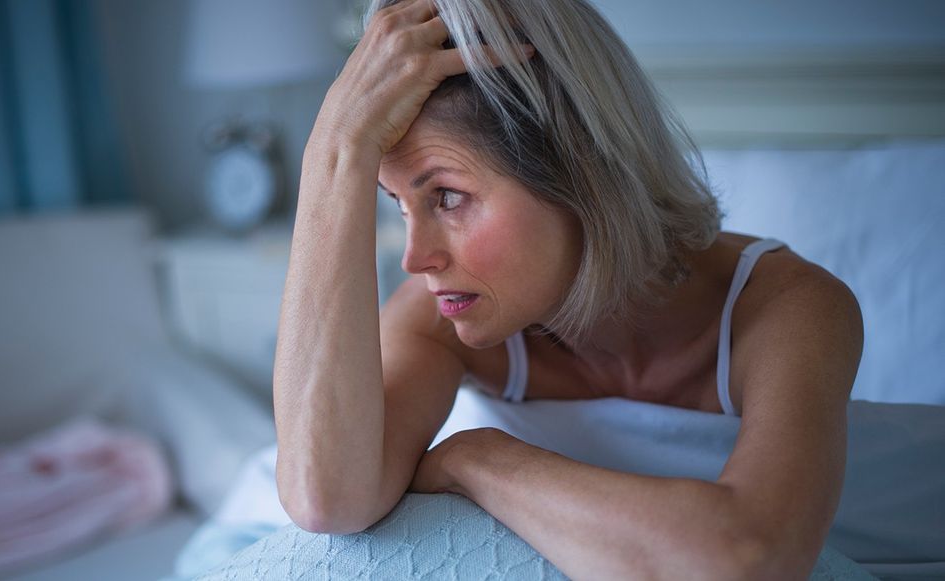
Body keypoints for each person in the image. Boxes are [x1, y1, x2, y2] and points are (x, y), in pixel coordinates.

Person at [273, 0, 864, 578]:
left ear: (580, 173)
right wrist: (336, 146)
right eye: (398, 204)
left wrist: (476, 456)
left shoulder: (788, 308)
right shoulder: (443, 319)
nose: (415, 258)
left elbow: (750, 557)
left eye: (448, 197)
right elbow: (327, 498)